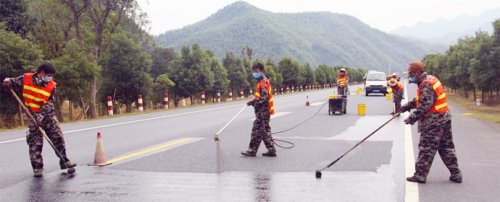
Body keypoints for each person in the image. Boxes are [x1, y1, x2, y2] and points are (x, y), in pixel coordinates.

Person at [2, 63, 76, 177]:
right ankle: (37, 168)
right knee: (35, 142)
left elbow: (49, 105)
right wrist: (7, 81)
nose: (50, 78)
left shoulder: (52, 86)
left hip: (48, 116)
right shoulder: (26, 79)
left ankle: (65, 162)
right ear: (41, 73)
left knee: (58, 138)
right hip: (32, 115)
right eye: (48, 75)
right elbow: (11, 81)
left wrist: (40, 117)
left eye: (51, 76)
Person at [399, 60, 462, 183]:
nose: (410, 76)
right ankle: (456, 174)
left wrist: (412, 117)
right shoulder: (430, 79)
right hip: (444, 117)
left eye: (411, 73)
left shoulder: (426, 83)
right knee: (446, 147)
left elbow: (425, 105)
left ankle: (420, 175)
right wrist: (407, 106)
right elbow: (421, 99)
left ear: (417, 72)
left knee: (426, 148)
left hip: (434, 121)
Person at [241, 62, 277, 157]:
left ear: (261, 71)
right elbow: (260, 97)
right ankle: (257, 150)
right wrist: (253, 101)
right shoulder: (263, 81)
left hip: (263, 112)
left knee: (261, 130)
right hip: (263, 112)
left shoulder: (263, 82)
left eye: (256, 71)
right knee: (260, 130)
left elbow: (263, 98)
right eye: (254, 72)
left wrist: (253, 102)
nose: (255, 74)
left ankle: (256, 150)